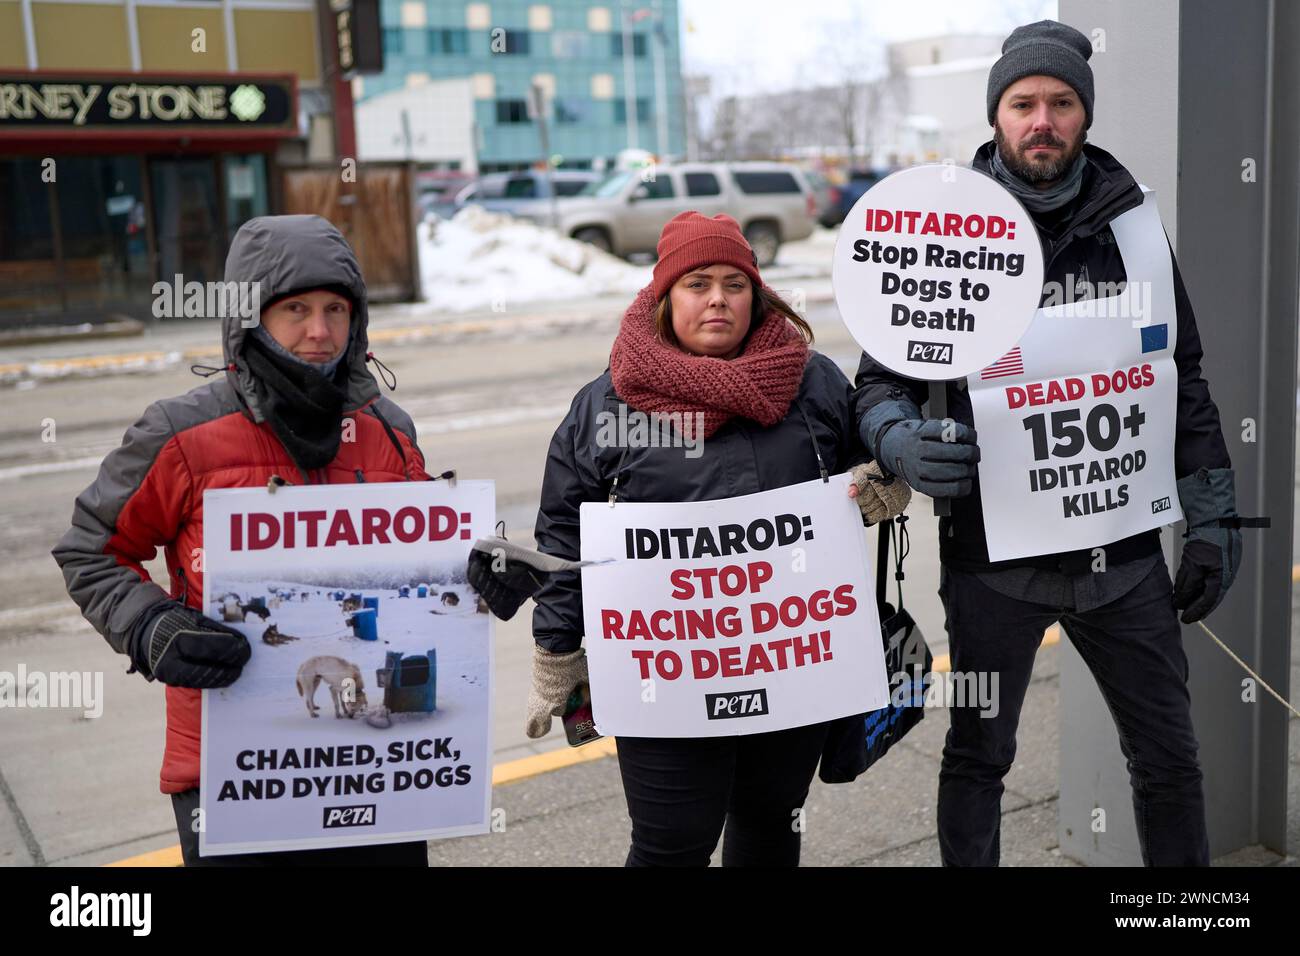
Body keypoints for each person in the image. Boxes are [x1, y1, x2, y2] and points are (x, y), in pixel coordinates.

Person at [853, 20, 1240, 866]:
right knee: (980, 761)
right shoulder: (940, 230)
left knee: (1170, 763)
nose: (1043, 120)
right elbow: (874, 386)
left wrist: (1212, 517)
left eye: (1061, 103)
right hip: (994, 566)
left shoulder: (1134, 227)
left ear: (1084, 116)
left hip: (1126, 560)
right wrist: (900, 442)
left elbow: (1185, 375)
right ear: (997, 116)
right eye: (1023, 102)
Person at [526, 211, 909, 866]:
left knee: (768, 825)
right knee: (670, 845)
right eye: (697, 282)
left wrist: (884, 482)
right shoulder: (608, 407)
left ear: (756, 295)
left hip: (792, 667)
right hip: (666, 679)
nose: (717, 300)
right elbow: (566, 531)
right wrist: (558, 652)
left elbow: (862, 462)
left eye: (735, 284)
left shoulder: (812, 382)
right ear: (664, 298)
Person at [52, 215, 432, 866]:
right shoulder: (182, 431)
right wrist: (151, 628)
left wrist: (485, 572)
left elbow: (430, 558)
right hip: (235, 770)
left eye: (336, 309)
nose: (320, 331)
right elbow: (90, 548)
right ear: (249, 317)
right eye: (296, 310)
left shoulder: (386, 429)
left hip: (375, 768)